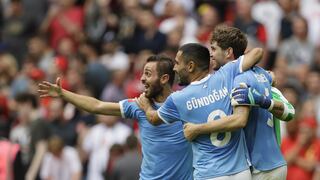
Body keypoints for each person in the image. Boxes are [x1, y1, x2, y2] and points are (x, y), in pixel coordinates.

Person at [38, 55, 193, 180]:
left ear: (164, 79)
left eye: (148, 74)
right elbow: (97, 106)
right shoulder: (138, 105)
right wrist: (63, 93)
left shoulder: (185, 104)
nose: (142, 79)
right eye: (142, 74)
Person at [136, 41, 264, 179]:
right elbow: (257, 52)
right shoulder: (225, 75)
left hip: (209, 173)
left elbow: (153, 119)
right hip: (241, 172)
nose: (174, 68)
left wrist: (146, 105)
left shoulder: (179, 99)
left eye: (178, 63)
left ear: (190, 66)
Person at [182, 26, 295, 179]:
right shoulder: (263, 75)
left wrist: (197, 129)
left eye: (214, 49)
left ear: (228, 52)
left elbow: (239, 120)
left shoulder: (239, 79)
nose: (211, 54)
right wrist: (266, 102)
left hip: (258, 167)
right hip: (276, 163)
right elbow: (290, 112)